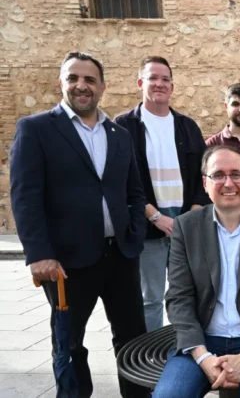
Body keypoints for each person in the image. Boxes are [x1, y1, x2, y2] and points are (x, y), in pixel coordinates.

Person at [10, 51, 150, 397]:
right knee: (69, 343)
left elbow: (134, 190)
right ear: (62, 83)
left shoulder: (118, 134)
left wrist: (133, 230)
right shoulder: (37, 129)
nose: (81, 85)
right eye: (73, 78)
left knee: (132, 339)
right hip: (66, 263)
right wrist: (39, 254)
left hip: (119, 255)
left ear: (102, 87)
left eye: (89, 79)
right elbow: (25, 197)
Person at [152, 145, 240, 398]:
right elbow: (178, 298)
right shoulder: (187, 227)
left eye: (236, 174)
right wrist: (202, 356)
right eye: (218, 175)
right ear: (205, 183)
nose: (228, 183)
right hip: (202, 340)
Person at [114, 56, 209, 332]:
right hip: (148, 230)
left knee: (188, 296)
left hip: (185, 229)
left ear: (172, 86)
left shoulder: (187, 126)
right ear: (140, 83)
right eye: (153, 78)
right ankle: (151, 357)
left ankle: (188, 350)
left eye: (165, 79)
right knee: (150, 299)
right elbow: (121, 181)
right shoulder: (124, 126)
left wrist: (189, 217)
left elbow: (203, 176)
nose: (159, 83)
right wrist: (155, 216)